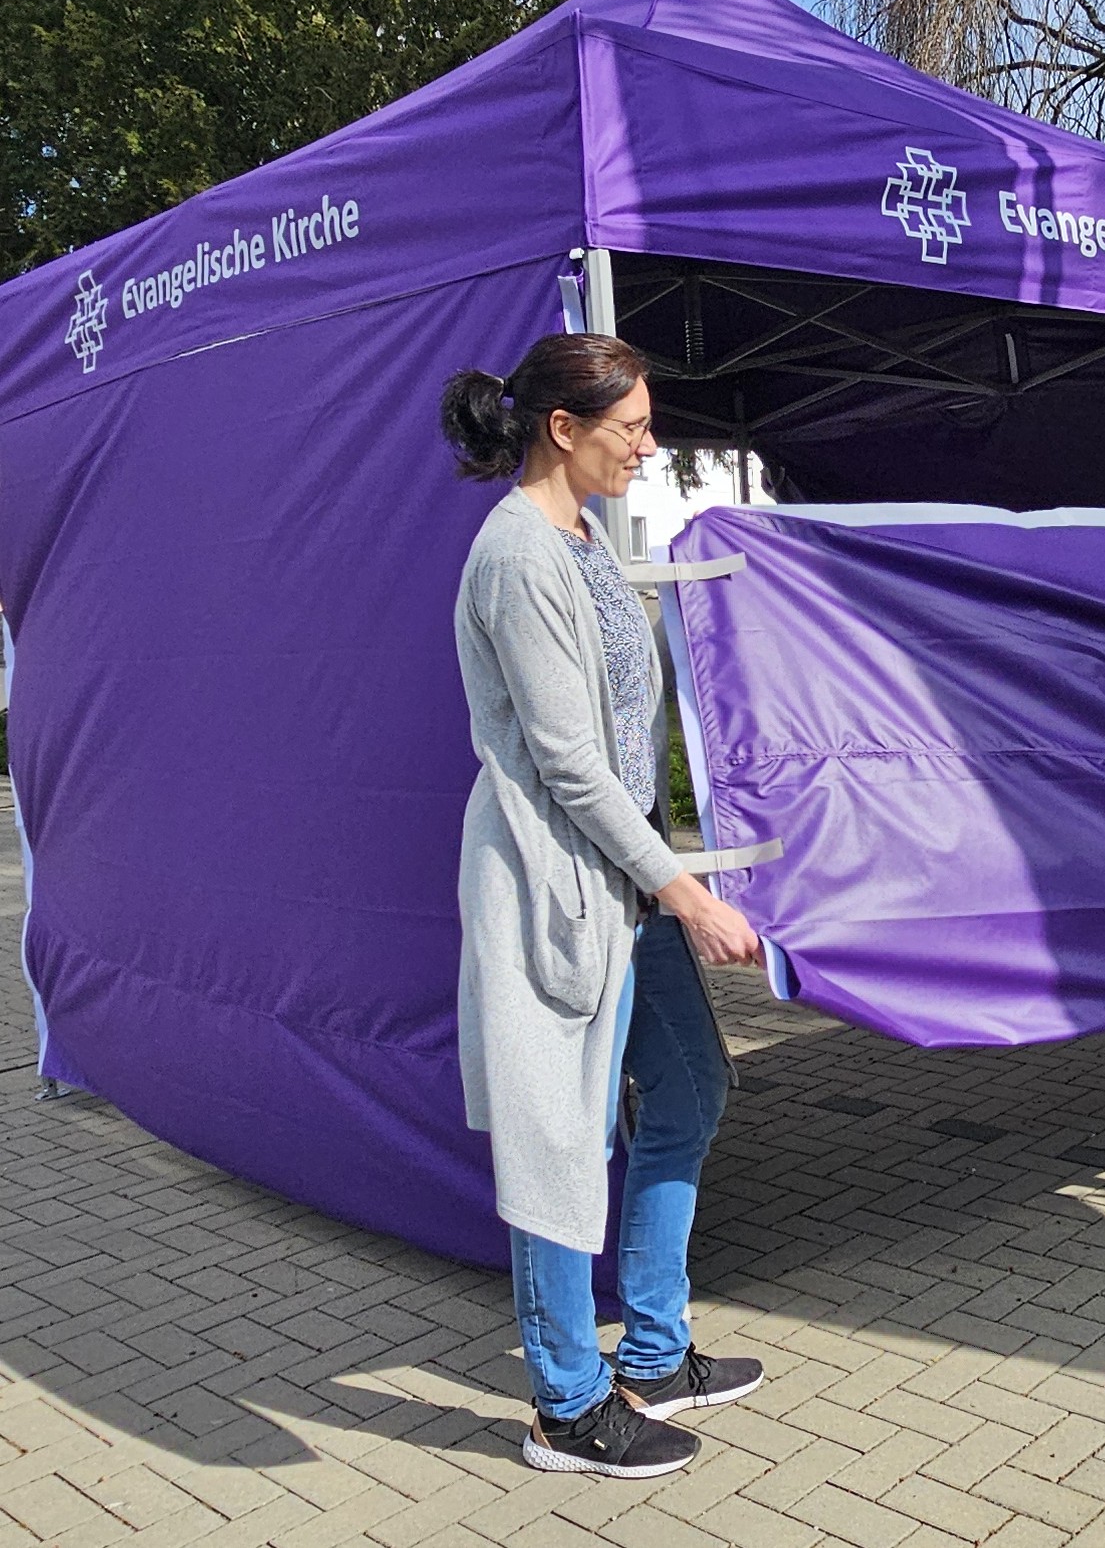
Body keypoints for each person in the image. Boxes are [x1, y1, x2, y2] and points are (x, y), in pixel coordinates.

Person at [441, 334, 765, 1479]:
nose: (649, 444)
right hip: (559, 890)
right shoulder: (517, 556)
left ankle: (657, 1354)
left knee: (688, 1087)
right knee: (559, 1140)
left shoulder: (584, 540)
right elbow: (571, 764)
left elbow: (629, 732)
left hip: (623, 882)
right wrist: (685, 890)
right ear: (562, 428)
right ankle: (567, 1407)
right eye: (631, 426)